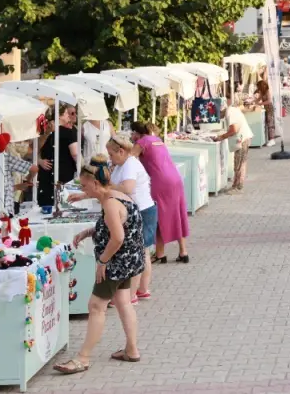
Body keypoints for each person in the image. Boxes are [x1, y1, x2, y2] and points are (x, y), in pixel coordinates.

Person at [53, 157, 144, 373]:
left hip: (117, 262)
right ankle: (132, 350)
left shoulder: (110, 203)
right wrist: (91, 231)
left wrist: (103, 260)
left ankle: (83, 358)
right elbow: (119, 225)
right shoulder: (116, 195)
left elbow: (118, 237)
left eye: (84, 185)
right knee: (123, 302)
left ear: (95, 183)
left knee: (96, 306)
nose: (84, 190)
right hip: (129, 260)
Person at [101, 134, 157, 302]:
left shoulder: (130, 164)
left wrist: (108, 187)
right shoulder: (121, 164)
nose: (110, 158)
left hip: (143, 210)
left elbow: (128, 187)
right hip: (136, 210)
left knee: (140, 251)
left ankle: (134, 292)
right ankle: (140, 289)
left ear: (121, 151)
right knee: (141, 250)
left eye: (111, 154)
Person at [130, 121, 190, 264]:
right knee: (177, 214)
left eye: (132, 133)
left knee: (158, 215)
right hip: (175, 178)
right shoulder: (157, 139)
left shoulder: (142, 142)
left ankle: (160, 254)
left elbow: (129, 160)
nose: (131, 136)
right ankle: (183, 252)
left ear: (137, 133)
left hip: (160, 181)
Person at [0, 122, 38, 222]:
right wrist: (29, 179)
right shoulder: (3, 158)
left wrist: (18, 187)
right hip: (2, 213)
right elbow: (34, 169)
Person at [36, 104, 80, 211]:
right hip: (64, 174)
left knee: (46, 207)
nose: (68, 116)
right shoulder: (69, 132)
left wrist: (39, 160)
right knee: (64, 205)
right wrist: (81, 169)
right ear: (59, 116)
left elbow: (34, 150)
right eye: (66, 113)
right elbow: (75, 154)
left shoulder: (43, 132)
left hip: (46, 174)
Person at [213, 98, 254, 192]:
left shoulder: (230, 112)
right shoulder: (232, 110)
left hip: (242, 139)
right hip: (243, 138)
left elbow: (234, 129)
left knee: (239, 163)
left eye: (218, 115)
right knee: (239, 162)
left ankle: (238, 187)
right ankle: (235, 185)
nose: (219, 118)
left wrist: (222, 137)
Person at [256, 71, 277, 147]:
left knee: (270, 123)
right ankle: (267, 139)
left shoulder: (267, 91)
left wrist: (260, 104)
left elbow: (269, 101)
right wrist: (253, 102)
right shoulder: (262, 91)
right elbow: (259, 98)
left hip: (269, 108)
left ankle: (272, 139)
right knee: (266, 123)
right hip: (265, 108)